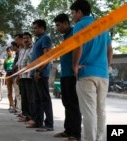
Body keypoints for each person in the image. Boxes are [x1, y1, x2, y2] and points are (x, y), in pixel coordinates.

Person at [70, 0, 113, 141]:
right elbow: (109, 49)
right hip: (103, 74)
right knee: (100, 110)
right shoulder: (102, 26)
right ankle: (100, 139)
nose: (72, 16)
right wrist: (106, 67)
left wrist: (75, 65)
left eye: (73, 13)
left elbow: (78, 46)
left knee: (89, 111)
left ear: (79, 12)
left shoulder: (80, 25)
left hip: (86, 73)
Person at [54, 13, 81, 141]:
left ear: (65, 23)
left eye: (58, 25)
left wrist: (75, 67)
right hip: (64, 75)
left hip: (72, 74)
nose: (57, 28)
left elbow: (78, 49)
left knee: (73, 104)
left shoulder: (74, 33)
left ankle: (76, 134)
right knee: (66, 103)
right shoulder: (65, 37)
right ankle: (68, 130)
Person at [29, 19, 54, 132]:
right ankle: (38, 122)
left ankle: (49, 124)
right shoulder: (38, 40)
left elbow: (46, 57)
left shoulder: (46, 38)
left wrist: (39, 71)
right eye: (33, 28)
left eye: (36, 28)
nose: (33, 30)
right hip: (36, 73)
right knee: (37, 99)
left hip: (42, 73)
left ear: (42, 28)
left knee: (45, 99)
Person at [17, 32, 37, 125]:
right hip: (21, 77)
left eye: (27, 38)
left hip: (29, 77)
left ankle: (33, 117)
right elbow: (19, 63)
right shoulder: (21, 50)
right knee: (24, 98)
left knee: (31, 98)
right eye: (24, 38)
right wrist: (18, 76)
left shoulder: (34, 48)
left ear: (31, 39)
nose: (25, 40)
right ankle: (26, 116)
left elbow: (34, 61)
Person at [3, 47, 15, 111]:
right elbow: (4, 67)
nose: (8, 52)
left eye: (10, 51)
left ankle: (16, 106)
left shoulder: (15, 59)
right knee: (9, 92)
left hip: (14, 75)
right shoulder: (6, 60)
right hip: (8, 75)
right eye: (7, 51)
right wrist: (8, 71)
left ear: (12, 51)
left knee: (16, 91)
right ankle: (11, 105)